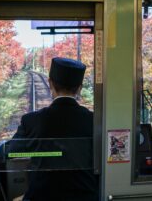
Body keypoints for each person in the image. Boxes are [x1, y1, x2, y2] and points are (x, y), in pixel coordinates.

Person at [10, 57, 99, 201]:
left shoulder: (30, 120)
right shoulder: (94, 120)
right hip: (85, 196)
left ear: (50, 83)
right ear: (80, 88)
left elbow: (11, 152)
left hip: (40, 196)